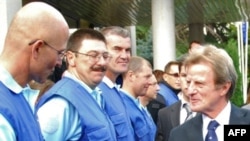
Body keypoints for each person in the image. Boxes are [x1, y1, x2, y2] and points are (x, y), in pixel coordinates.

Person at [0, 2, 69, 141]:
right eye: (59, 53)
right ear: (37, 48)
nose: (59, 63)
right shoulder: (4, 111)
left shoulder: (20, 95)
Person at [36, 28, 117, 141]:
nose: (102, 62)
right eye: (93, 55)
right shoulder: (60, 104)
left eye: (105, 56)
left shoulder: (95, 95)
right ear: (71, 58)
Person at [168, 44, 250, 141]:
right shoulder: (179, 135)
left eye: (199, 83)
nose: (190, 91)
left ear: (224, 88)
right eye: (189, 82)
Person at [98, 26, 135, 140]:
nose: (124, 56)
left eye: (127, 50)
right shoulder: (96, 92)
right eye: (117, 49)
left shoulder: (115, 89)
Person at [156, 58, 195, 141]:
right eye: (184, 75)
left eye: (193, 75)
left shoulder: (215, 112)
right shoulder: (164, 114)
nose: (188, 80)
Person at [120, 56, 156, 141]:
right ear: (131, 76)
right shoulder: (122, 108)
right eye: (147, 77)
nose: (150, 82)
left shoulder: (139, 106)